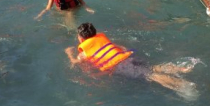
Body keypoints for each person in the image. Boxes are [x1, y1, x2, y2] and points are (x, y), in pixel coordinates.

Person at [65, 23, 196, 96]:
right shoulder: (102, 39)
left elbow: (75, 62)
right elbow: (121, 47)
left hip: (120, 65)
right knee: (151, 67)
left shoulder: (84, 53)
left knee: (149, 74)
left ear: (81, 39)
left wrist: (70, 53)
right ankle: (181, 69)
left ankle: (182, 86)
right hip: (128, 57)